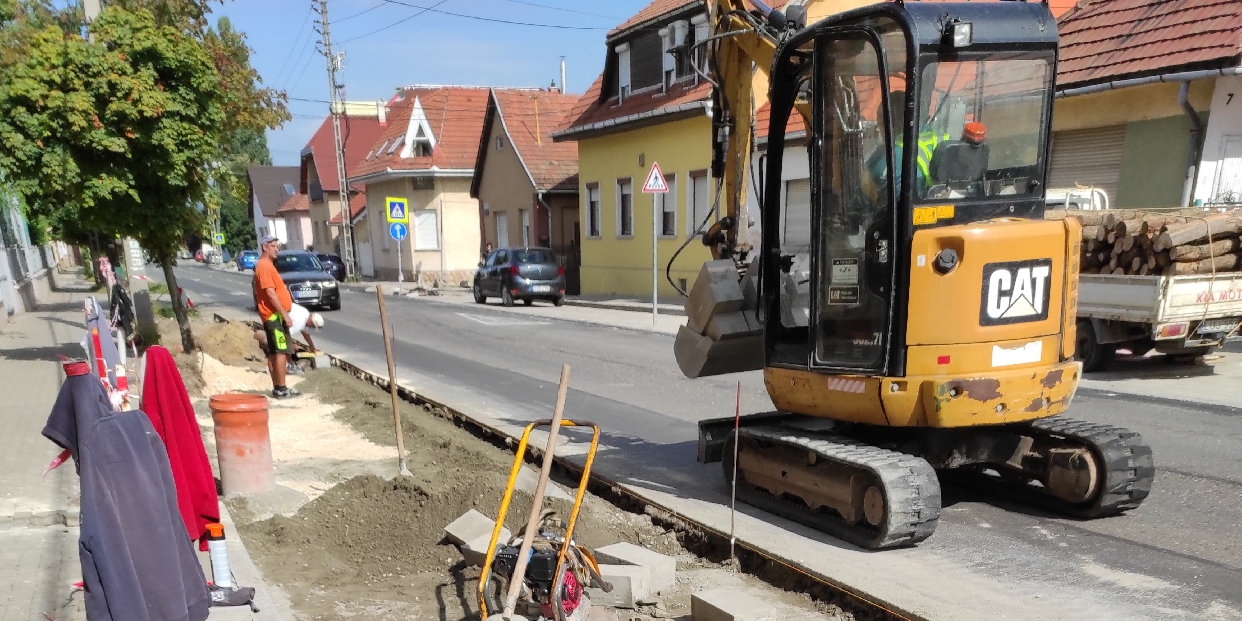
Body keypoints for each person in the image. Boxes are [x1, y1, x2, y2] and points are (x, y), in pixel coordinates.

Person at [252, 235, 300, 398]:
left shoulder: (266, 265)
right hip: (274, 317)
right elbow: (270, 293)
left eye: (277, 246)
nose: (277, 248)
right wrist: (284, 315)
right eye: (273, 246)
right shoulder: (264, 266)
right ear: (264, 247)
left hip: (273, 317)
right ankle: (281, 388)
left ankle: (278, 387)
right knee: (280, 352)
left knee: (274, 352)